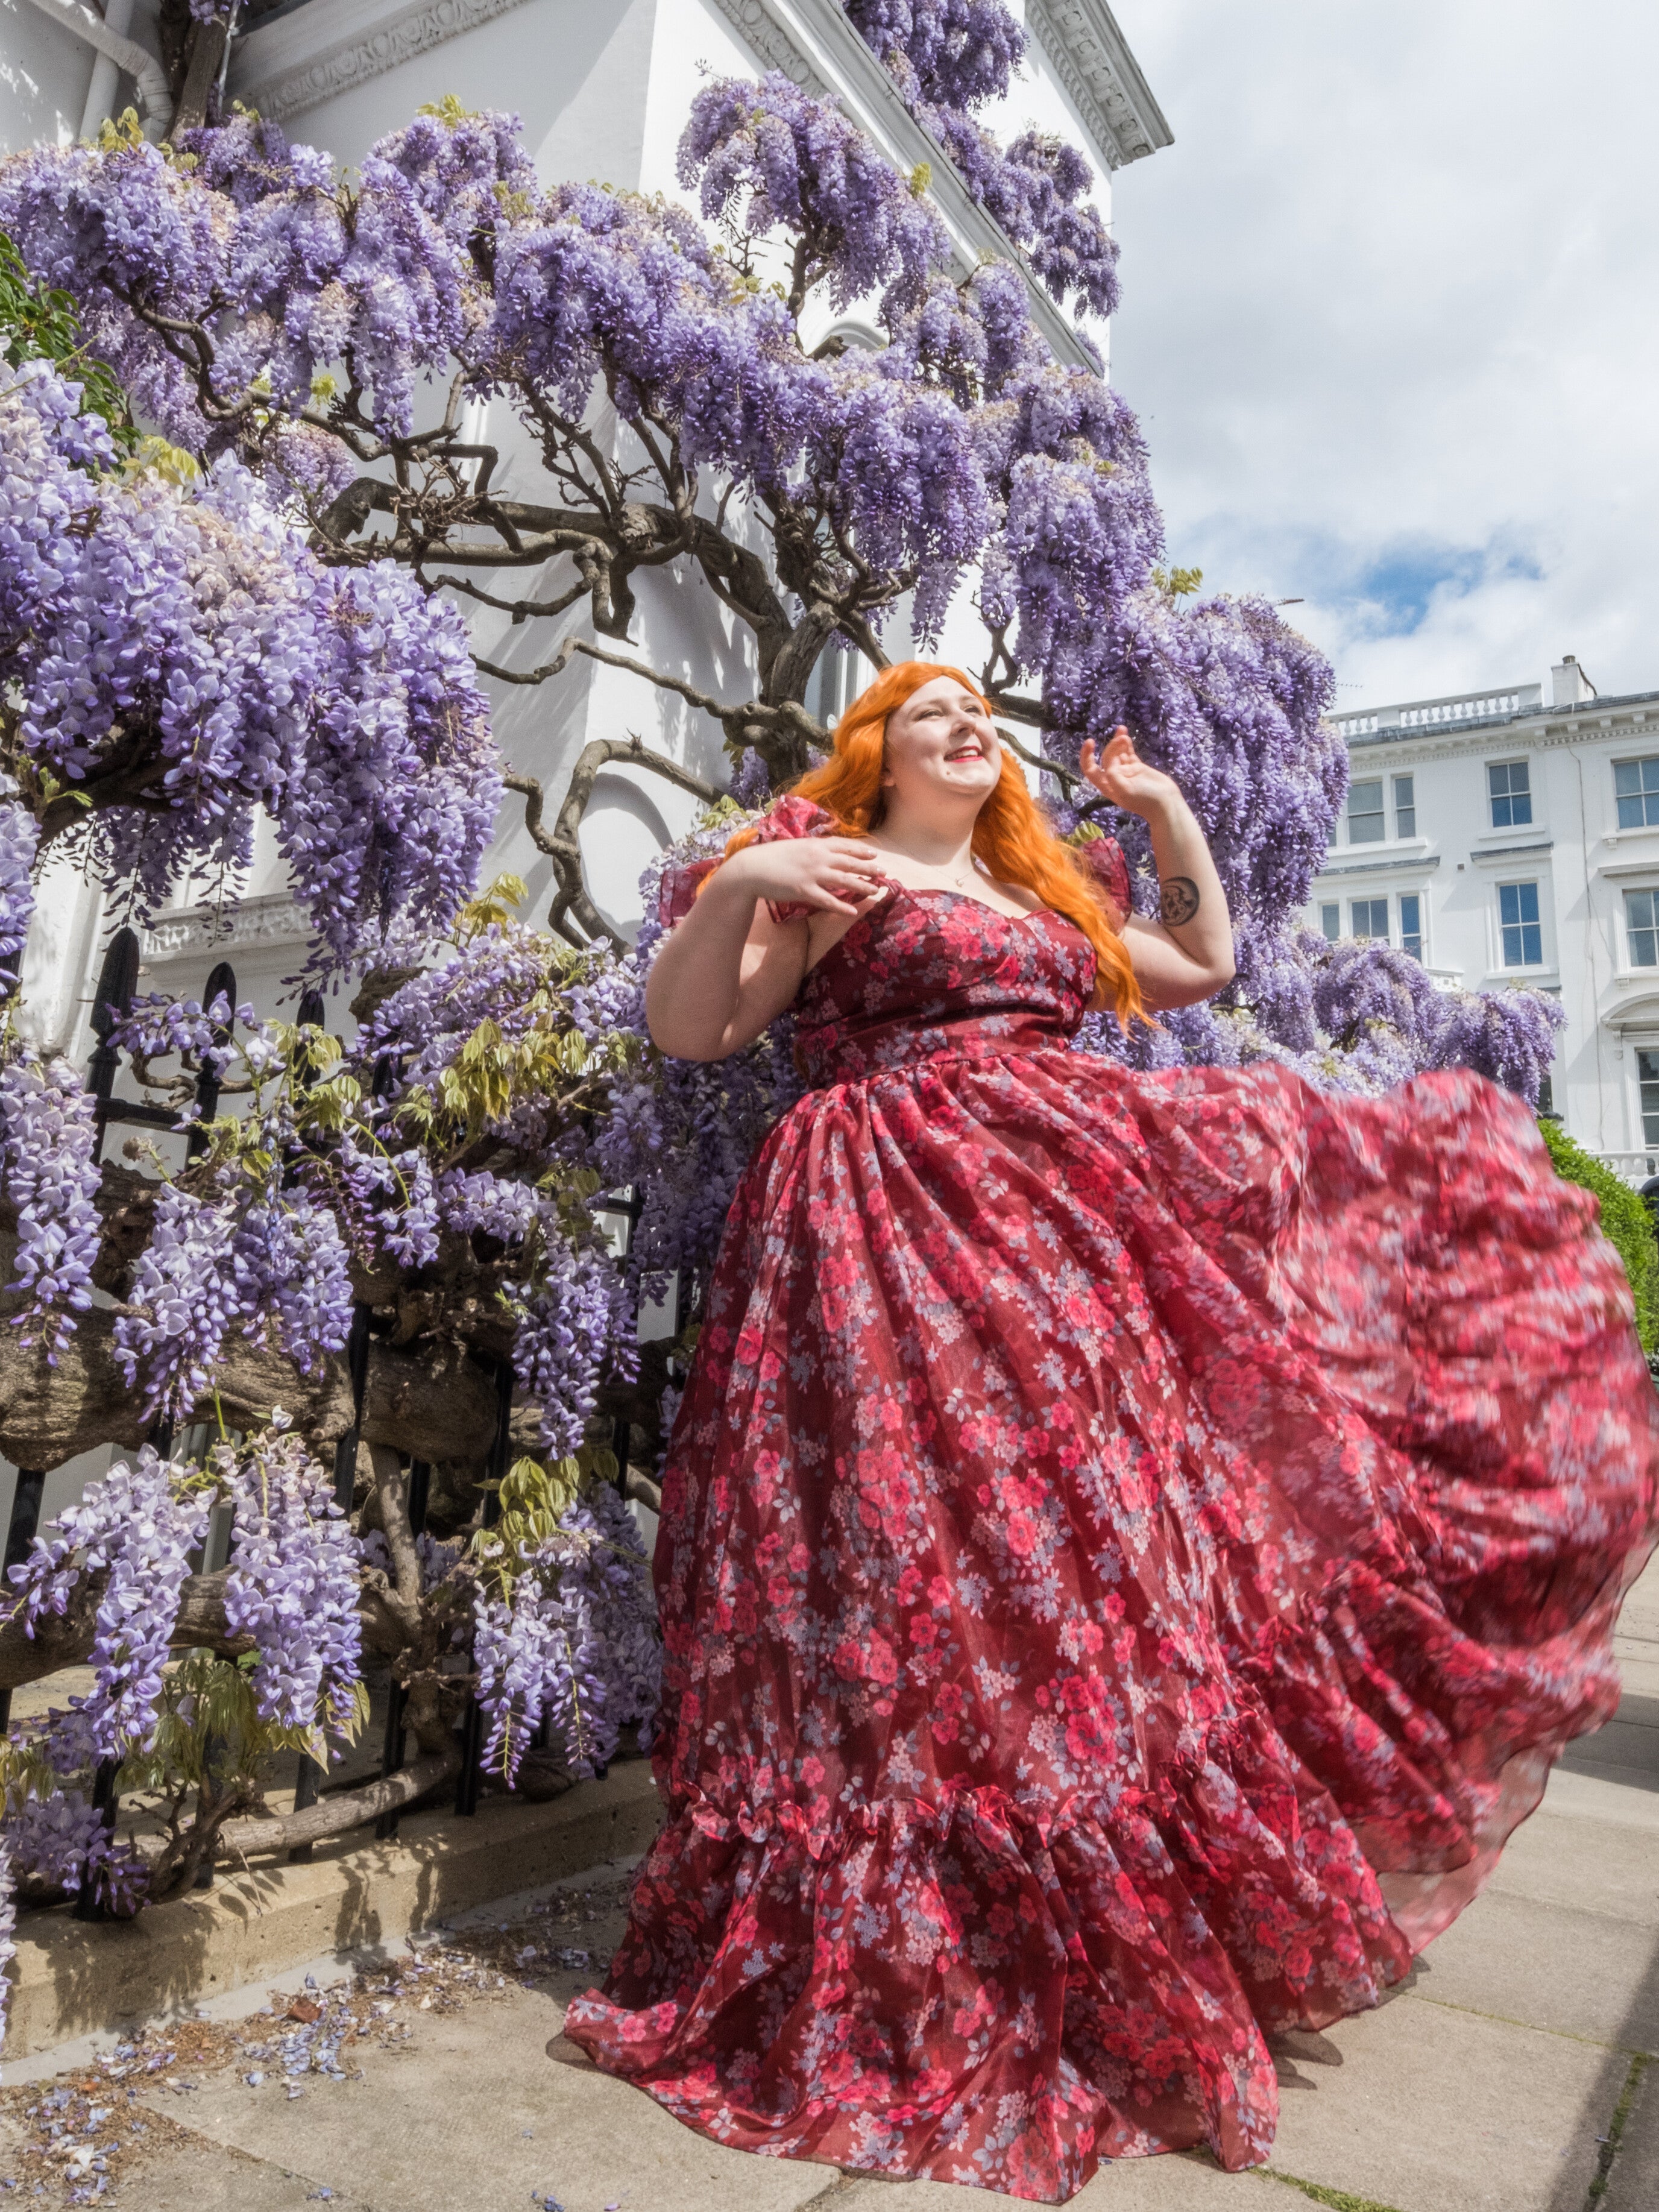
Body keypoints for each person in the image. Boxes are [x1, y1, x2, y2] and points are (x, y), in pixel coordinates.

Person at [564, 662, 1659, 2202]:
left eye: (979, 719)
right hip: (882, 1231)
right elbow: (697, 1032)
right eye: (930, 710)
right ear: (877, 748)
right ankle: (912, 1951)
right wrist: (744, 876)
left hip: (1056, 1240)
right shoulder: (832, 862)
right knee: (902, 1558)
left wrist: (1166, 809)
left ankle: (1092, 1937)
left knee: (1079, 1562)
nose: (967, 729)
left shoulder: (1045, 887)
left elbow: (1200, 962)